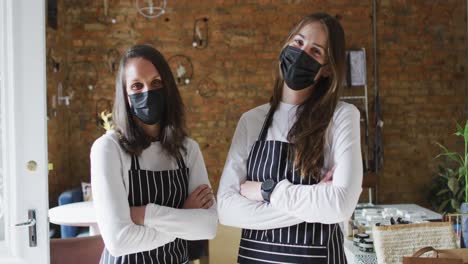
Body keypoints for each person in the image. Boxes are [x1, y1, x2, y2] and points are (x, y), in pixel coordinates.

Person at [217, 13, 363, 264]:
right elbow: (226, 210)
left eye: (315, 51)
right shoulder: (251, 121)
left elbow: (339, 205)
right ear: (286, 45)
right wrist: (314, 200)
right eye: (298, 42)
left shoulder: (341, 117)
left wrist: (267, 190)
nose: (302, 53)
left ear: (327, 69)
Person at [91, 44, 217, 264]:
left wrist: (143, 215)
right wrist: (184, 215)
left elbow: (207, 227)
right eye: (137, 85)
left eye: (156, 83)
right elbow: (119, 241)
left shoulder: (188, 149)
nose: (147, 91)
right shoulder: (108, 148)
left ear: (168, 88)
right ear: (125, 95)